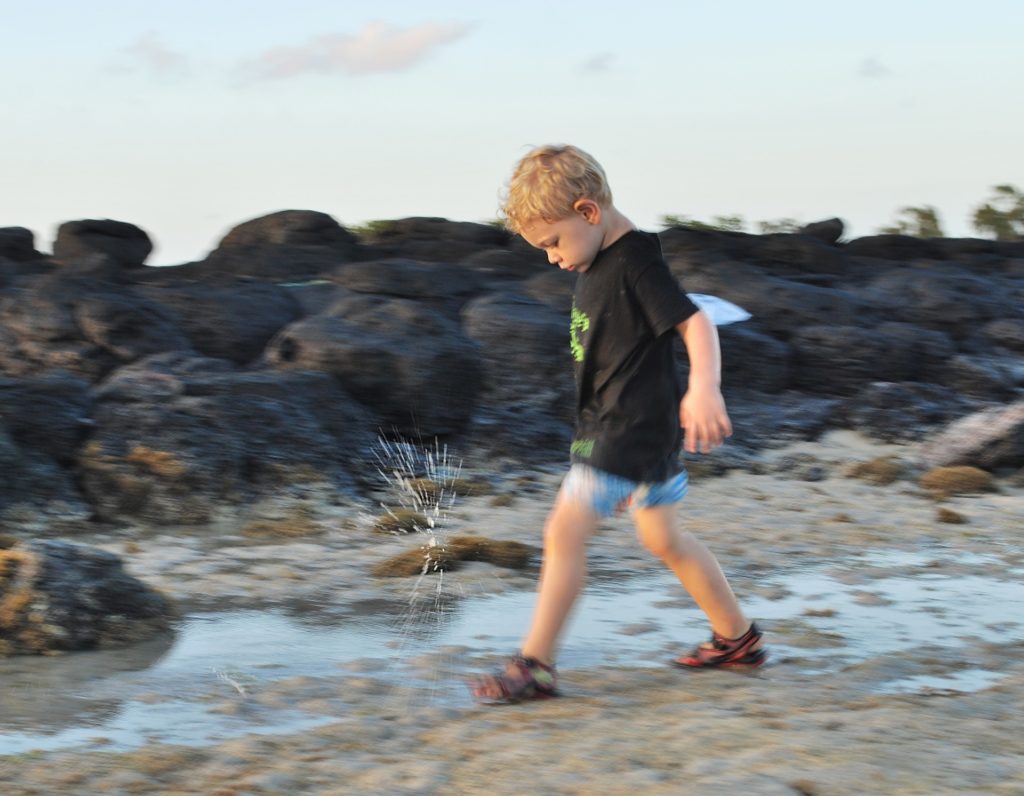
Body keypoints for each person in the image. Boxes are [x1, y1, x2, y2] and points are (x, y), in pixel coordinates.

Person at [471, 144, 765, 703]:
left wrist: (704, 388)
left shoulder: (634, 261)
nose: (552, 259)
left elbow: (696, 321)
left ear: (587, 212)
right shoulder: (603, 258)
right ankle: (737, 640)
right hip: (639, 432)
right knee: (665, 538)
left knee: (563, 534)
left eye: (553, 242)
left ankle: (535, 665)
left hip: (625, 430)